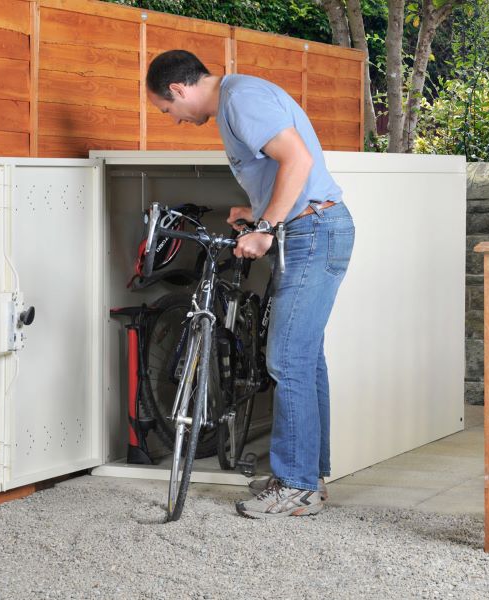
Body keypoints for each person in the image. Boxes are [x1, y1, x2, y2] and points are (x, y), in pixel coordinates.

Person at [146, 49, 355, 519]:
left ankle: (297, 486)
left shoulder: (240, 99)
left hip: (312, 231)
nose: (175, 120)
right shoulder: (236, 99)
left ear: (179, 89)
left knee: (287, 357)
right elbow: (282, 168)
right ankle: (307, 478)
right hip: (311, 228)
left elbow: (296, 161)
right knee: (305, 357)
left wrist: (267, 228)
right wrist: (257, 214)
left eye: (168, 110)